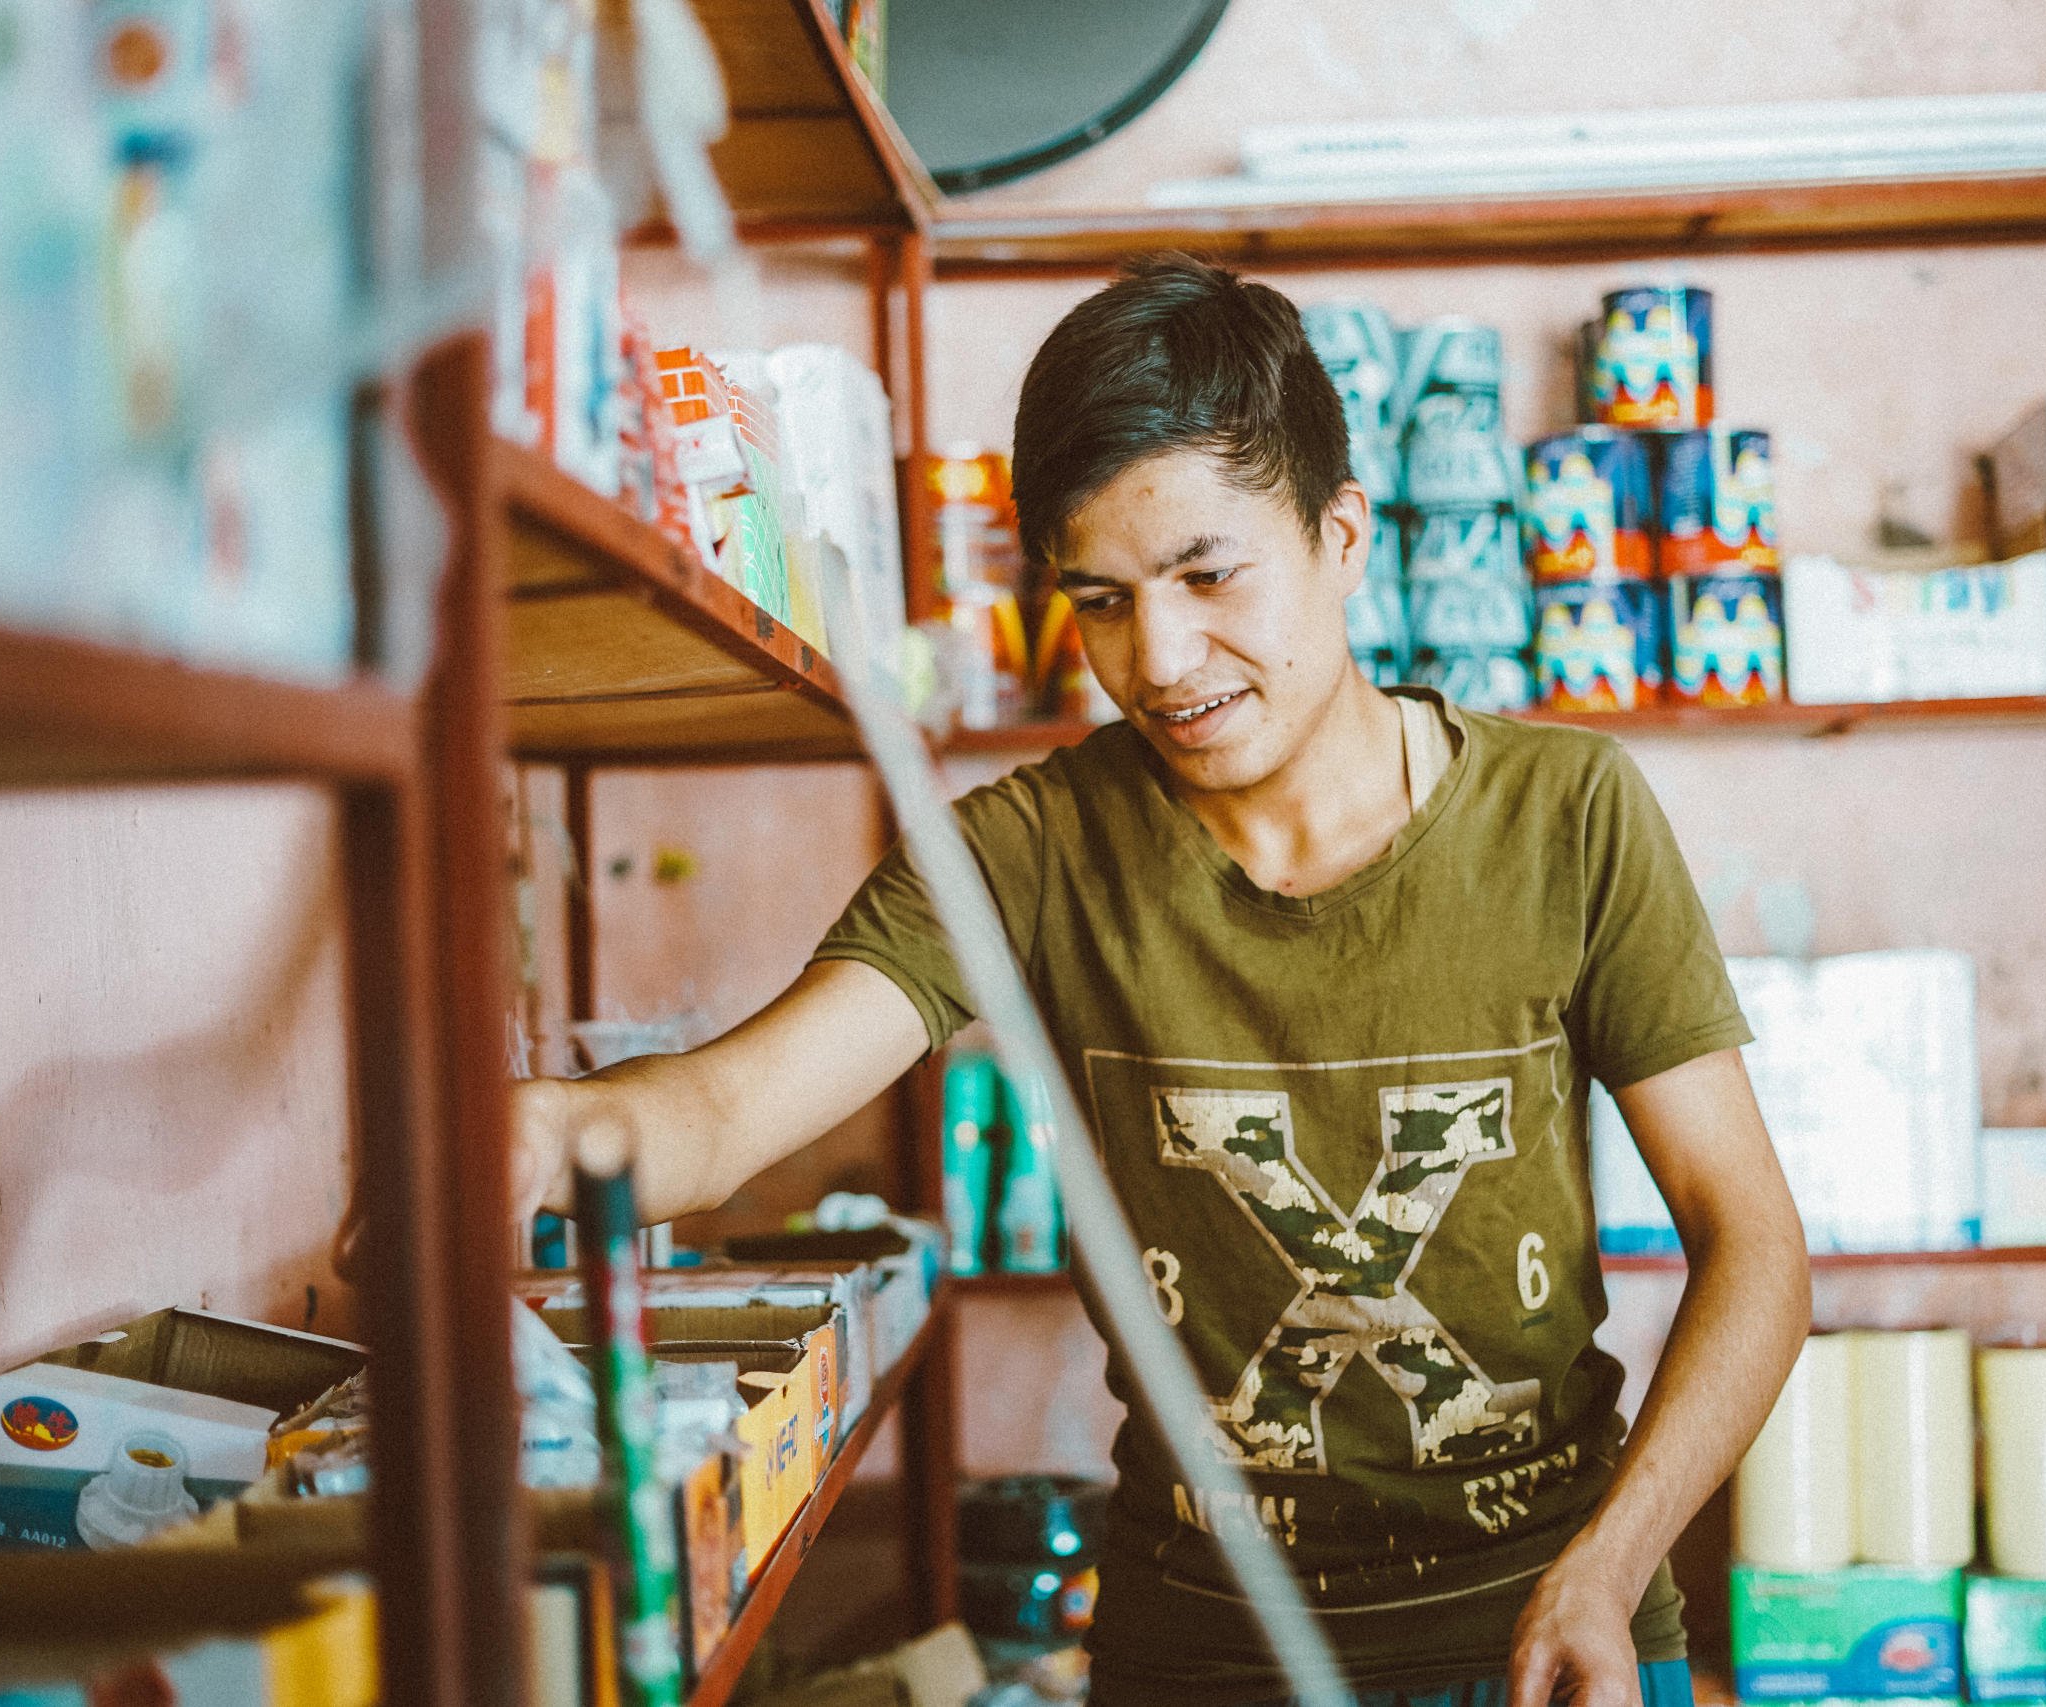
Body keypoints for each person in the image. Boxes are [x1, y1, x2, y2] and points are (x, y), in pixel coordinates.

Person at [515, 254, 1811, 1707]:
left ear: (1342, 533)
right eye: (1104, 601)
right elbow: (724, 1111)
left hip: (1551, 1643)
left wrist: (1609, 1570)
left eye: (1208, 575)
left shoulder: (1566, 815)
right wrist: (537, 1128)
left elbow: (1754, 1246)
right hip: (1201, 1653)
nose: (1165, 657)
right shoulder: (1027, 851)